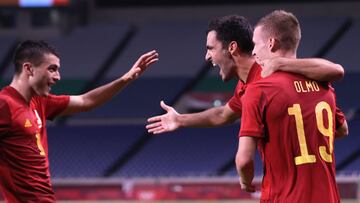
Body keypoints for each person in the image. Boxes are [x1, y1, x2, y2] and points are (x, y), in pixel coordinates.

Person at [0, 40, 158, 202]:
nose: (57, 77)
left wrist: (126, 79)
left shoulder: (39, 102)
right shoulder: (4, 105)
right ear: (28, 68)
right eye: (52, 69)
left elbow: (85, 101)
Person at [146, 14, 344, 135]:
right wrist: (180, 120)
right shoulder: (246, 84)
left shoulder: (270, 74)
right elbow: (223, 114)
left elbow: (335, 71)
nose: (207, 56)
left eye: (211, 48)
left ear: (231, 48)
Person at [236, 10, 348, 202]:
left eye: (255, 44)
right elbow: (342, 129)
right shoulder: (324, 86)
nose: (253, 52)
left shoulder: (258, 89)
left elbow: (244, 159)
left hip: (284, 197)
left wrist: (245, 180)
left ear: (271, 43)